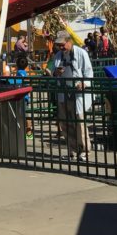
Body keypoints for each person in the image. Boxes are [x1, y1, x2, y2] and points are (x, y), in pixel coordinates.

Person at [51, 29, 93, 160]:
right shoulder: (58, 56)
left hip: (78, 93)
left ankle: (84, 150)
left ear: (69, 42)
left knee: (79, 122)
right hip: (64, 92)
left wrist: (84, 83)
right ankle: (72, 150)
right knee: (65, 122)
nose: (61, 47)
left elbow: (88, 72)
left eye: (63, 44)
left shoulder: (81, 53)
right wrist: (56, 72)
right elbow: (53, 72)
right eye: (59, 45)